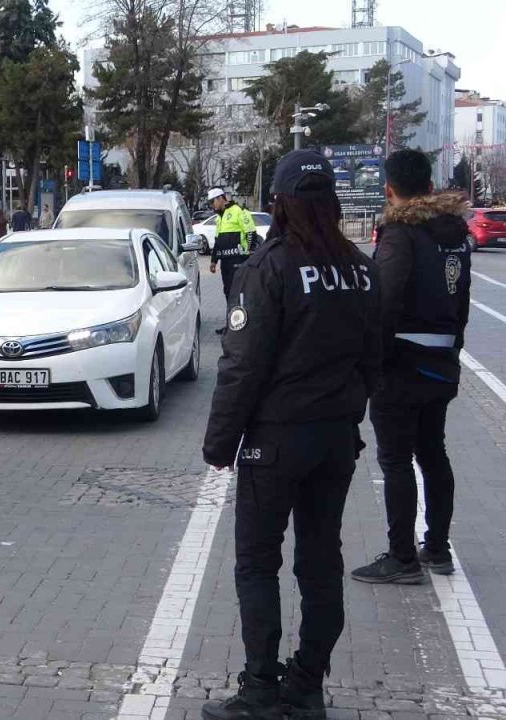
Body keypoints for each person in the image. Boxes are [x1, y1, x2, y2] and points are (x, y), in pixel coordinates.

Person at [201, 150, 381, 720]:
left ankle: (260, 690)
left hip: (275, 440)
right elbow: (375, 358)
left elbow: (242, 364)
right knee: (321, 561)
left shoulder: (270, 265)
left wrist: (219, 443)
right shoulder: (360, 267)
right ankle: (306, 684)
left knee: (257, 563)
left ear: (278, 203)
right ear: (330, 202)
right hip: (334, 439)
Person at [350, 150, 472, 585]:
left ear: (389, 189)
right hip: (441, 364)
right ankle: (437, 548)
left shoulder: (400, 233)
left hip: (400, 366)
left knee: (396, 460)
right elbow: (462, 303)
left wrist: (372, 365)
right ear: (430, 185)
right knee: (433, 452)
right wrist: (452, 352)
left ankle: (401, 557)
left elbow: (382, 303)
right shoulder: (455, 233)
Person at [207, 187, 258, 334]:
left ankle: (241, 325)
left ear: (220, 198)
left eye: (213, 202)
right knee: (228, 292)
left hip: (238, 260)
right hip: (226, 262)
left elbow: (250, 232)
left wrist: (248, 253)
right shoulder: (219, 218)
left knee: (239, 292)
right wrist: (213, 260)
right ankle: (231, 323)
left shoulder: (239, 211)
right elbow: (218, 241)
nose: (212, 205)